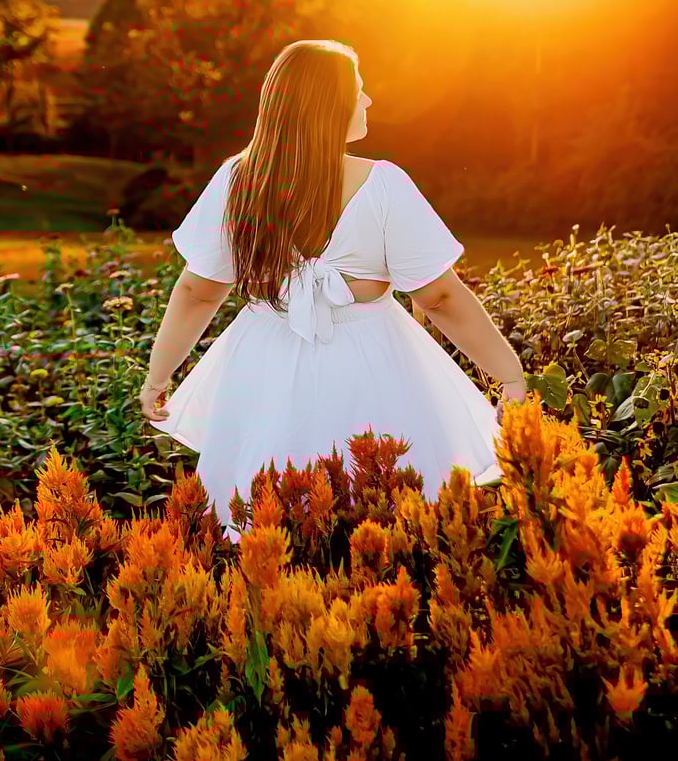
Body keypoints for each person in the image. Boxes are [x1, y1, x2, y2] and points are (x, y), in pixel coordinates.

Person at [140, 39, 527, 543]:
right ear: (329, 105)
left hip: (262, 362)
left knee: (263, 507)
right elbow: (440, 298)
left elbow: (197, 291)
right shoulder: (383, 184)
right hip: (372, 359)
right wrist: (508, 373)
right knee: (385, 503)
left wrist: (158, 375)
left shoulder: (238, 180)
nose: (367, 100)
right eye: (358, 90)